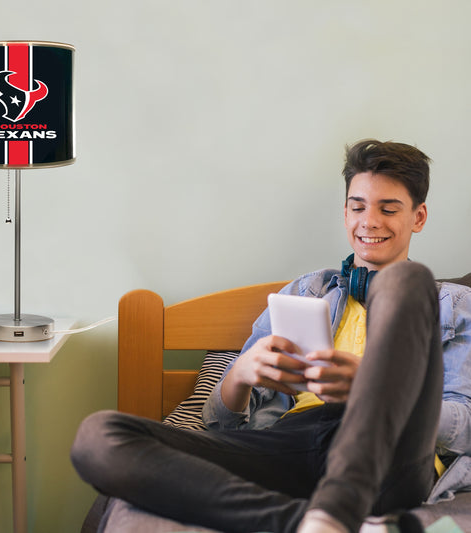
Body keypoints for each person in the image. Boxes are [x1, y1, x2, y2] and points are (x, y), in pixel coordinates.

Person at [71, 140, 471, 533]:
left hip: (392, 452)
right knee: (99, 438)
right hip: (291, 445)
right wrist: (241, 374)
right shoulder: (304, 292)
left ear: (418, 217)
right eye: (357, 206)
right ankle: (312, 522)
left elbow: (465, 425)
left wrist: (372, 390)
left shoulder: (451, 304)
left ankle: (338, 505)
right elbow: (221, 425)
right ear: (345, 212)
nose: (369, 221)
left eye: (388, 209)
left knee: (406, 279)